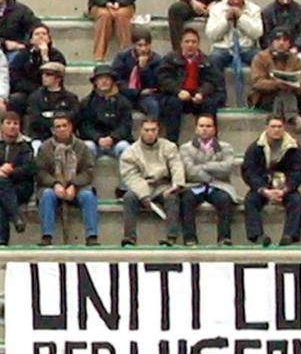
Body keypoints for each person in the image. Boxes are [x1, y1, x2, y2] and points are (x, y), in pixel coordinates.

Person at [242, 115, 301, 246]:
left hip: (286, 187)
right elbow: (249, 171)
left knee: (297, 202)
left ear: (284, 128)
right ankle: (257, 236)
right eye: (273, 127)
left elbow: (299, 171)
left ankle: (289, 236)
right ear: (266, 128)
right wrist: (263, 190)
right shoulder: (255, 147)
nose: (276, 130)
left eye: (279, 126)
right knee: (250, 201)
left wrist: (286, 188)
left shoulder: (294, 147)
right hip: (263, 186)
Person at [119, 118, 186, 246]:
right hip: (142, 185)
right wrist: (144, 195)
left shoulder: (169, 147)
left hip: (163, 186)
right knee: (129, 197)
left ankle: (171, 237)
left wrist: (176, 185)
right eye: (146, 130)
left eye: (153, 130)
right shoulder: (130, 152)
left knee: (172, 198)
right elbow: (131, 176)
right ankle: (129, 238)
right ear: (140, 131)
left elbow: (176, 165)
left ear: (158, 131)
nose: (150, 133)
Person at [35, 115, 98, 246]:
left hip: (78, 188)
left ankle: (91, 236)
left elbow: (88, 171)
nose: (62, 129)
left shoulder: (82, 147)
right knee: (46, 195)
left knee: (88, 196)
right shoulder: (45, 148)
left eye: (65, 126)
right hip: (52, 187)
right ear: (53, 130)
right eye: (58, 127)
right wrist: (55, 184)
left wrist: (74, 185)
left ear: (71, 127)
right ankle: (47, 236)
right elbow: (40, 172)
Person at [157, 28, 226, 144]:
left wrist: (201, 93)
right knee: (172, 104)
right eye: (187, 41)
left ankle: (211, 143)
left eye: (194, 42)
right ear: (181, 44)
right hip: (177, 96)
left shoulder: (207, 61)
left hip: (197, 97)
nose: (190, 45)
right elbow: (163, 79)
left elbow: (211, 81)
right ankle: (172, 143)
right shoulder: (170, 59)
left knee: (209, 104)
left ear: (198, 44)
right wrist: (178, 91)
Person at [179, 114, 237, 246]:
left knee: (224, 199)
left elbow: (226, 168)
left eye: (208, 126)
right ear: (196, 129)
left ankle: (224, 238)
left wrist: (203, 166)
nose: (205, 129)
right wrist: (211, 173)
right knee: (186, 200)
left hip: (218, 185)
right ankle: (190, 239)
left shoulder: (226, 147)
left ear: (214, 129)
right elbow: (189, 171)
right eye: (201, 126)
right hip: (194, 185)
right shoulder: (185, 148)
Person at [249, 27, 301, 131]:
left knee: (284, 93)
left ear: (290, 44)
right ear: (272, 42)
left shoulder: (296, 60)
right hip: (265, 97)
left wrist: (293, 86)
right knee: (282, 92)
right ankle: (294, 118)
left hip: (291, 96)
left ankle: (276, 123)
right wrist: (276, 84)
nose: (281, 43)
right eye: (277, 40)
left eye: (285, 40)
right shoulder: (260, 57)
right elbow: (257, 82)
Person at [8, 23, 65, 118]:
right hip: (27, 91)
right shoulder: (23, 55)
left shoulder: (57, 56)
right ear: (31, 40)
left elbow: (57, 76)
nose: (41, 36)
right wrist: (34, 90)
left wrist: (45, 57)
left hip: (52, 92)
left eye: (44, 34)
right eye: (37, 34)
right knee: (16, 99)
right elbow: (15, 78)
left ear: (49, 39)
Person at [204, 0, 263, 71]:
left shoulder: (254, 9)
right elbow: (211, 35)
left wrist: (242, 18)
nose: (236, 1)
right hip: (223, 48)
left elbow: (257, 33)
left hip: (247, 48)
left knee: (261, 58)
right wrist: (225, 20)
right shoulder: (216, 9)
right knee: (214, 59)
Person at [78, 65, 133, 161]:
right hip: (94, 143)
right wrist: (98, 138)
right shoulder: (86, 102)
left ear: (112, 81)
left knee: (124, 147)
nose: (104, 82)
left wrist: (112, 138)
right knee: (87, 146)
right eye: (100, 79)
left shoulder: (123, 102)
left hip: (116, 142)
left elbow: (125, 125)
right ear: (95, 82)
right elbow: (84, 126)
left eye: (107, 79)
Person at [111, 26, 162, 119]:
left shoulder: (157, 60)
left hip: (146, 96)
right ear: (133, 45)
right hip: (126, 94)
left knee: (153, 105)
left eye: (146, 45)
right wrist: (137, 92)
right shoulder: (122, 57)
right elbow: (117, 80)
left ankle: (152, 126)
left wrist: (144, 69)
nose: (143, 49)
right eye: (140, 45)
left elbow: (154, 84)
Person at [26, 61, 79, 150]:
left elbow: (74, 118)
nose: (44, 77)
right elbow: (35, 119)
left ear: (58, 78)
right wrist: (57, 122)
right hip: (41, 137)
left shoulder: (71, 98)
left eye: (48, 74)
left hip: (66, 139)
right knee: (36, 148)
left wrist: (50, 118)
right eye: (43, 74)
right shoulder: (35, 97)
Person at [0, 111, 34, 244]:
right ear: (1, 126)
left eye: (15, 123)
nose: (12, 126)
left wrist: (11, 172)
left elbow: (29, 168)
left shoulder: (26, 145)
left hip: (21, 186)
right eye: (8, 123)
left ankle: (2, 241)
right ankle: (15, 216)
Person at [0, 0, 41, 64]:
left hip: (15, 51)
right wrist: (4, 43)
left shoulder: (21, 10)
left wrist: (25, 45)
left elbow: (36, 27)